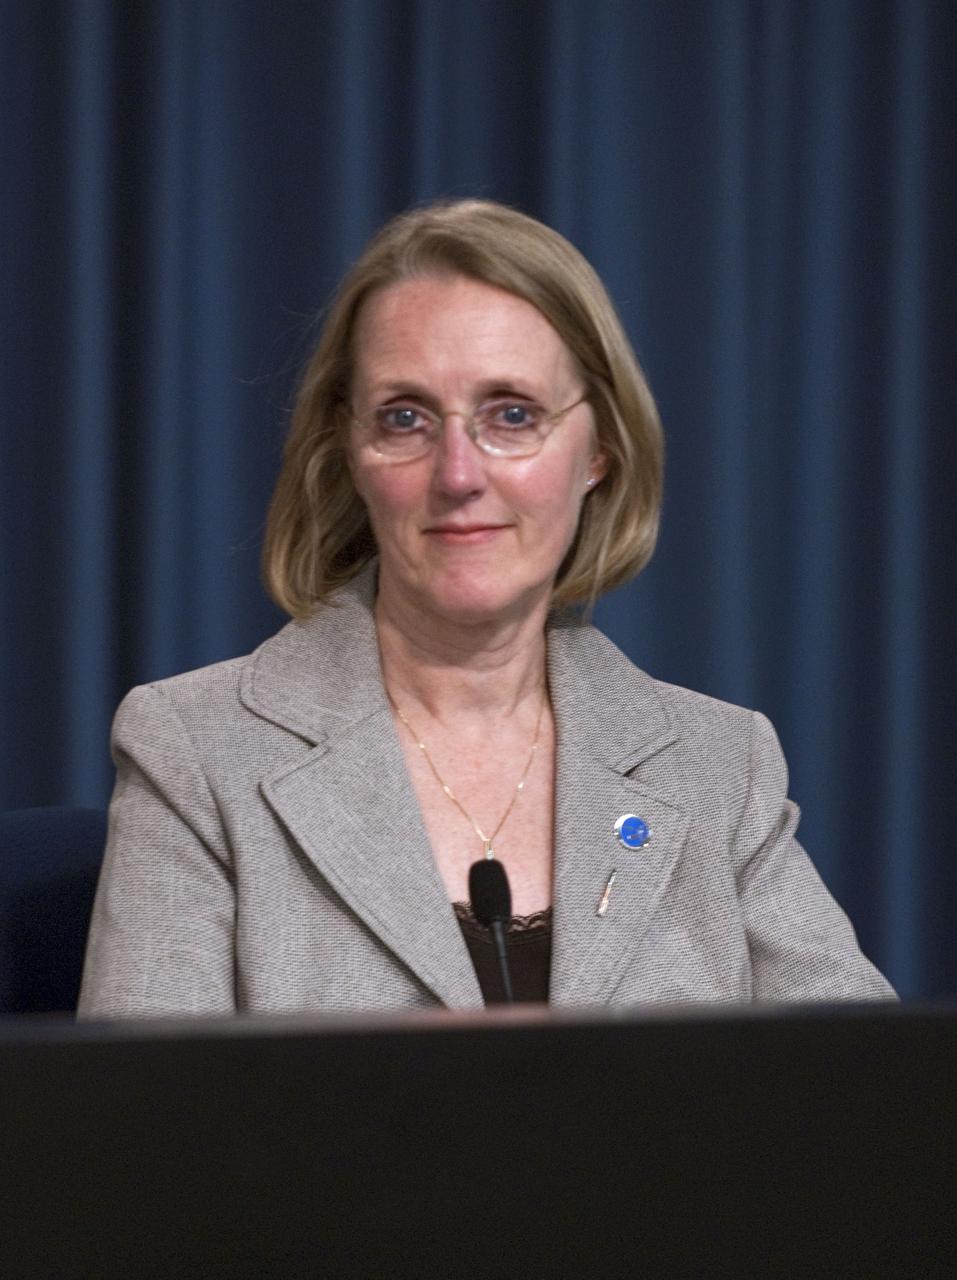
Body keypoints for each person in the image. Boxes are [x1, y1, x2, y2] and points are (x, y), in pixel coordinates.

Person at [78, 199, 894, 1017]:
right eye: (405, 418)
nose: (459, 473)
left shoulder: (718, 768)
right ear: (348, 450)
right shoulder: (196, 753)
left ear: (598, 449)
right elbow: (135, 1132)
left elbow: (872, 1100)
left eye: (512, 414)